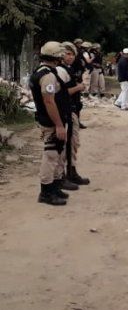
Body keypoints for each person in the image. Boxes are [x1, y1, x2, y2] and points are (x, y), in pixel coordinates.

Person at [29, 42, 71, 205]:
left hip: (49, 119)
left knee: (56, 153)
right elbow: (49, 101)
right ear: (56, 56)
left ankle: (53, 187)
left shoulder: (41, 71)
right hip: (51, 122)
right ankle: (46, 192)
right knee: (51, 155)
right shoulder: (47, 75)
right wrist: (59, 125)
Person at [60, 42, 90, 185]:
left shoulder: (69, 69)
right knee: (66, 145)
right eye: (67, 53)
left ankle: (71, 171)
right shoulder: (60, 70)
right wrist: (78, 87)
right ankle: (64, 175)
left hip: (73, 109)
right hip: (66, 111)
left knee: (73, 143)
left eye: (72, 54)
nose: (70, 56)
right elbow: (61, 93)